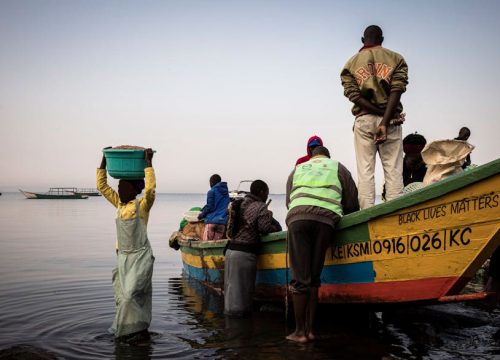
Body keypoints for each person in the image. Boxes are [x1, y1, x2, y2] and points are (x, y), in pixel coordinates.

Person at [285, 146, 359, 343]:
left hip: (299, 218)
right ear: (327, 156)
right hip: (327, 220)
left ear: (312, 156)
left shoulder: (298, 169)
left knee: (301, 278)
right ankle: (310, 330)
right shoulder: (338, 168)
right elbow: (352, 203)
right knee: (314, 278)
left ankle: (299, 333)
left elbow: (288, 201)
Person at [341, 25, 409, 209]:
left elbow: (354, 95)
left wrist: (378, 115)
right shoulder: (396, 59)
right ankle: (395, 213)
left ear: (363, 40)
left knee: (365, 171)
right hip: (391, 120)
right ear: (382, 39)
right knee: (394, 170)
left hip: (364, 120)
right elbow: (397, 89)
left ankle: (367, 216)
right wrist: (386, 119)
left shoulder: (350, 64)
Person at [97, 148, 156, 342]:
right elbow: (103, 187)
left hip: (139, 257)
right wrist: (104, 161)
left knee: (132, 294)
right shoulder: (119, 205)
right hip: (122, 256)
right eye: (120, 188)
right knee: (122, 297)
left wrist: (148, 164)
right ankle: (129, 330)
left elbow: (150, 190)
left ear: (133, 190)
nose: (119, 190)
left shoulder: (142, 206)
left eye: (123, 187)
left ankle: (138, 326)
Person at [224, 180, 282, 317]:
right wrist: (272, 221)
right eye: (266, 193)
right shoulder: (260, 206)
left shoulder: (238, 203)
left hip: (230, 251)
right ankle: (240, 330)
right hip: (244, 254)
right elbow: (264, 228)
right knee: (242, 297)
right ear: (262, 192)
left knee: (231, 292)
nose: (267, 196)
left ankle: (229, 328)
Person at [198, 174, 230, 240]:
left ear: (211, 182)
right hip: (222, 223)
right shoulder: (226, 193)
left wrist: (201, 215)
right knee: (217, 244)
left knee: (207, 244)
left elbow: (210, 207)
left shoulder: (211, 191)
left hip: (212, 222)